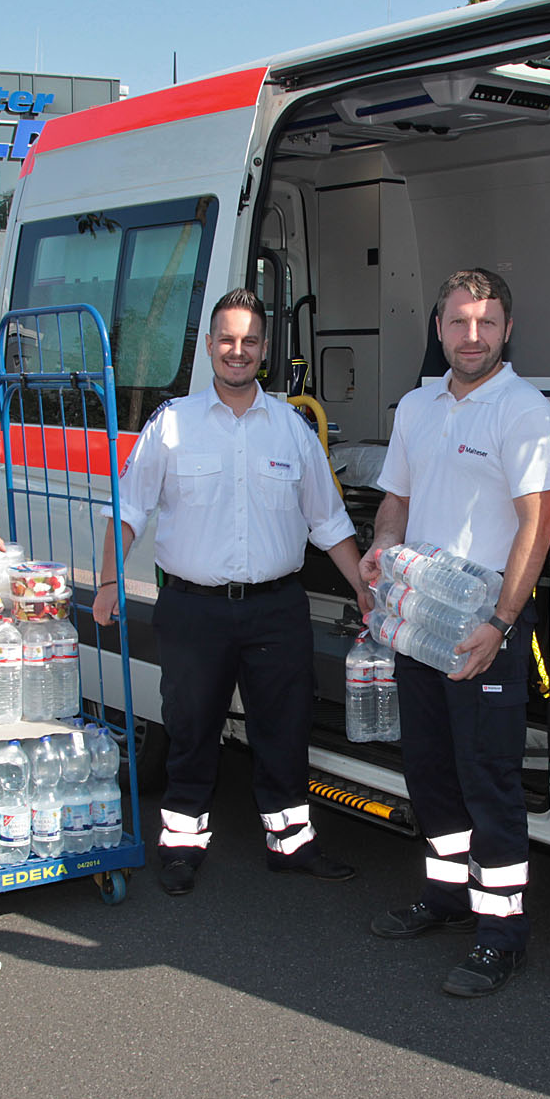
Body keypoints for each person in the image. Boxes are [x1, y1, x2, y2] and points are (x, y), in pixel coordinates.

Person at [93, 289, 374, 896]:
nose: (237, 350)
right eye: (227, 339)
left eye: (249, 340)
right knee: (191, 728)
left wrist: (363, 587)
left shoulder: (292, 430)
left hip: (276, 608)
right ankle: (181, 844)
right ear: (209, 346)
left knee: (285, 728)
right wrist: (111, 578)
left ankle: (290, 843)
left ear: (265, 349)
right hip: (193, 609)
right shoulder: (172, 425)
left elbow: (328, 522)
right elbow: (129, 509)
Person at [361, 268, 550, 998]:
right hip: (422, 614)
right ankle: (446, 896)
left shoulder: (523, 409)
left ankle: (502, 933)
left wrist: (500, 622)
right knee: (430, 770)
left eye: (486, 322)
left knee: (488, 778)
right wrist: (382, 550)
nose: (472, 336)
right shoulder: (417, 406)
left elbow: (538, 522)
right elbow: (397, 499)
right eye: (458, 321)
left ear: (507, 329)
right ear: (439, 328)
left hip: (485, 622)